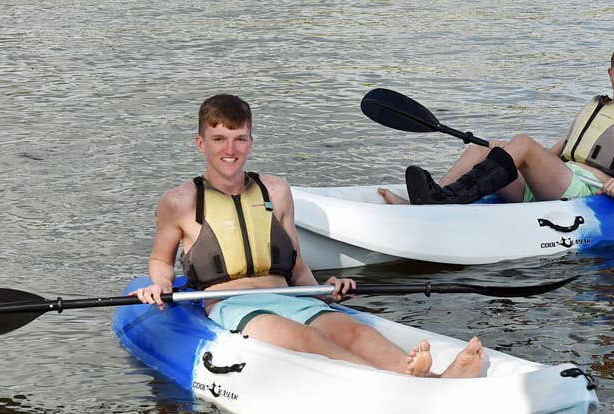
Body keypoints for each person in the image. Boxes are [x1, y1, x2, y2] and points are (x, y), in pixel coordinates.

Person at [132, 93, 484, 378]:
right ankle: (402, 382)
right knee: (306, 339)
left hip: (293, 296)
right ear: (200, 143)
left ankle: (429, 379)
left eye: (240, 139)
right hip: (232, 306)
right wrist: (158, 286)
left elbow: (295, 261)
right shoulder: (180, 202)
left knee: (353, 332)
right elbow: (161, 259)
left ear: (251, 142)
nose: (230, 150)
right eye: (219, 139)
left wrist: (322, 287)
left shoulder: (275, 189)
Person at [379, 42, 614, 206]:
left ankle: (444, 202)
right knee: (487, 148)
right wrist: (508, 154)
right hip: (555, 182)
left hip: (585, 191)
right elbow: (553, 155)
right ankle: (430, 201)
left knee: (521, 141)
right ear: (610, 72)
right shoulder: (597, 107)